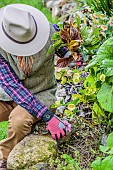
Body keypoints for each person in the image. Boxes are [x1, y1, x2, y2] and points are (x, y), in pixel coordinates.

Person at [0, 4, 71, 169]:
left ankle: (4, 157)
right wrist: (47, 116)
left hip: (42, 92)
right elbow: (12, 86)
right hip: (10, 94)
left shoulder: (51, 33)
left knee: (19, 122)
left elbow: (67, 51)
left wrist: (72, 54)